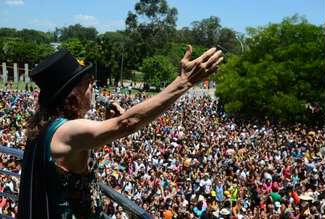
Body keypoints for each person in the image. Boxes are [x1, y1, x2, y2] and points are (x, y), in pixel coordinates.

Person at [18, 46, 224, 218]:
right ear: (73, 92)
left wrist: (107, 124)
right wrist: (184, 82)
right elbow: (128, 122)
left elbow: (78, 152)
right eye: (88, 80)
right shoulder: (67, 130)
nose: (93, 85)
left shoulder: (48, 127)